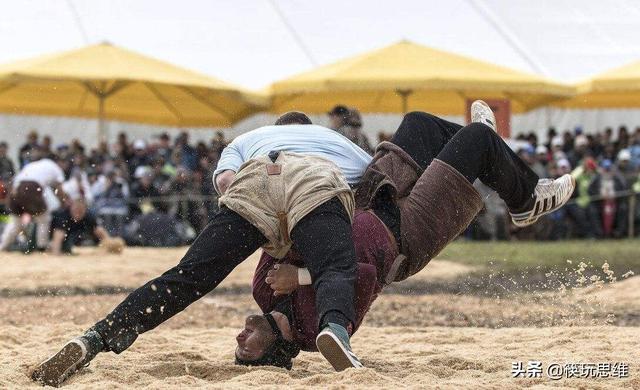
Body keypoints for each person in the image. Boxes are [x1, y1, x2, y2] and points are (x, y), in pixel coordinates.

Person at [31, 112, 373, 386]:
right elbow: (373, 190)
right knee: (335, 268)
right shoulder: (340, 142)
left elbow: (225, 183)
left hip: (255, 180)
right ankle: (335, 330)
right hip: (314, 183)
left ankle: (96, 337)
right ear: (310, 129)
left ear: (275, 128)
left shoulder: (246, 140)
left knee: (187, 277)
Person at [233, 101, 575, 369]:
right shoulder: (315, 332)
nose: (239, 336)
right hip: (405, 234)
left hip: (366, 195)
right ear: (274, 352)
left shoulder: (263, 289)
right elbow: (364, 275)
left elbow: (277, 234)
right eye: (245, 349)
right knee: (477, 140)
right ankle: (524, 198)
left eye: (238, 343)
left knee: (419, 123)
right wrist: (302, 277)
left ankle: (494, 158)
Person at [0, 157, 68, 251]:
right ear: (59, 162)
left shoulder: (33, 165)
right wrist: (64, 203)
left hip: (16, 189)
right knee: (44, 219)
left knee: (15, 222)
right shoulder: (56, 168)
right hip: (31, 188)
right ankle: (42, 247)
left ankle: (3, 246)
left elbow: (15, 181)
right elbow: (60, 190)